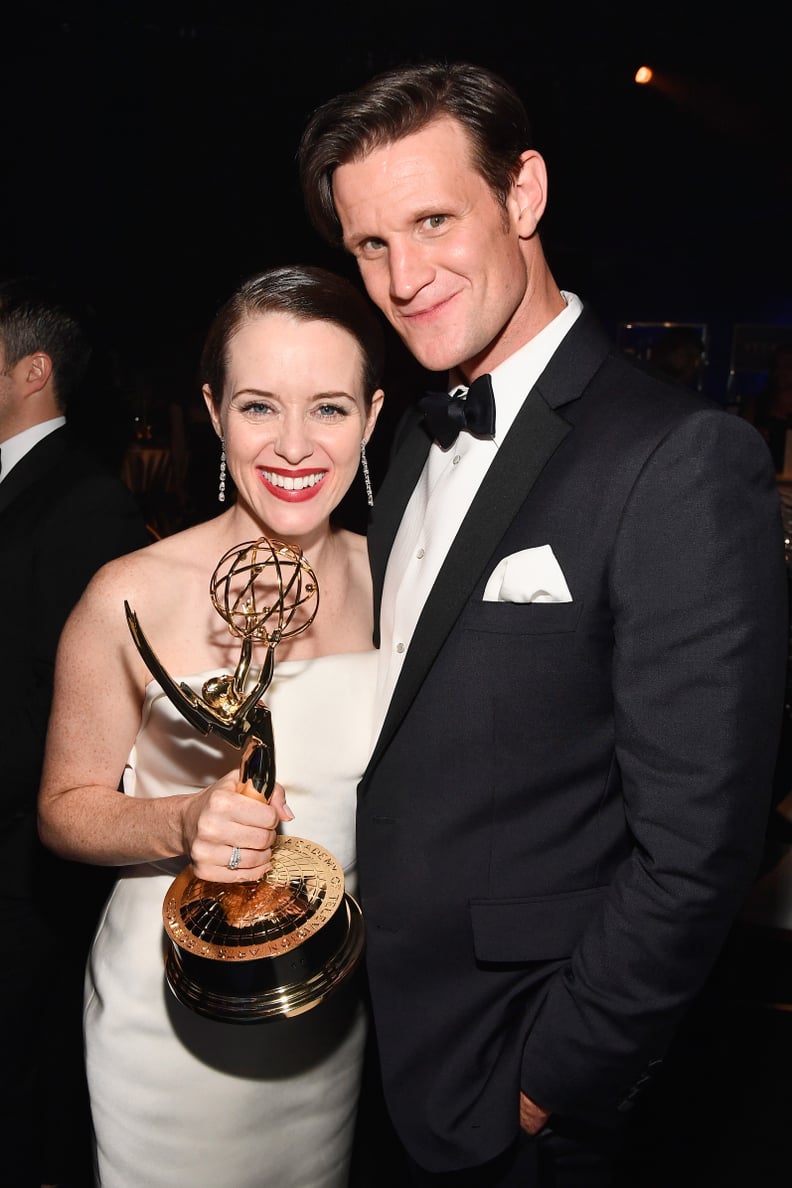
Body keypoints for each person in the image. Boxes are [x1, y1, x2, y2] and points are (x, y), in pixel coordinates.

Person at [297, 61, 789, 1185]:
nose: (402, 277)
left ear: (523, 196)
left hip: (525, 1074)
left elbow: (702, 847)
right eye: (370, 245)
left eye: (432, 221)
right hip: (380, 1040)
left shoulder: (678, 459)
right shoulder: (417, 439)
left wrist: (553, 1078)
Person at [38, 265, 384, 1188]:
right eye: (261, 406)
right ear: (213, 410)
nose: (296, 445)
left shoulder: (405, 582)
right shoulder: (128, 592)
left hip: (332, 1012)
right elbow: (63, 808)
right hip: (171, 1025)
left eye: (332, 408)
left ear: (375, 416)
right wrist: (180, 823)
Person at [0, 274, 150, 1188]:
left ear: (32, 371)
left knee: (25, 1098)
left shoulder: (88, 503)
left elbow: (77, 713)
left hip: (25, 873)